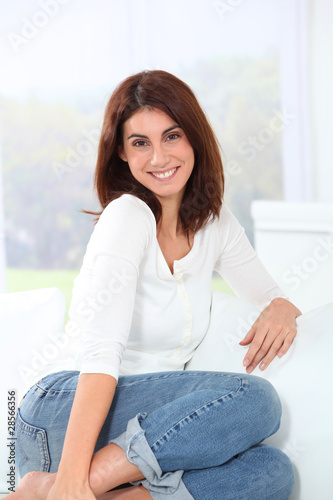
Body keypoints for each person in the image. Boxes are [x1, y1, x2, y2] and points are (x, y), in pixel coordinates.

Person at [11, 70, 301, 500]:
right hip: (66, 410)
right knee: (256, 400)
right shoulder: (127, 216)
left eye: (172, 136)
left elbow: (268, 296)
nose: (159, 157)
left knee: (271, 472)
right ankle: (70, 484)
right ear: (122, 156)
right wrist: (74, 475)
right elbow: (101, 354)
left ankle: (57, 492)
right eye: (140, 143)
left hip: (143, 433)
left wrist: (281, 305)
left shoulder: (214, 223)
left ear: (194, 140)